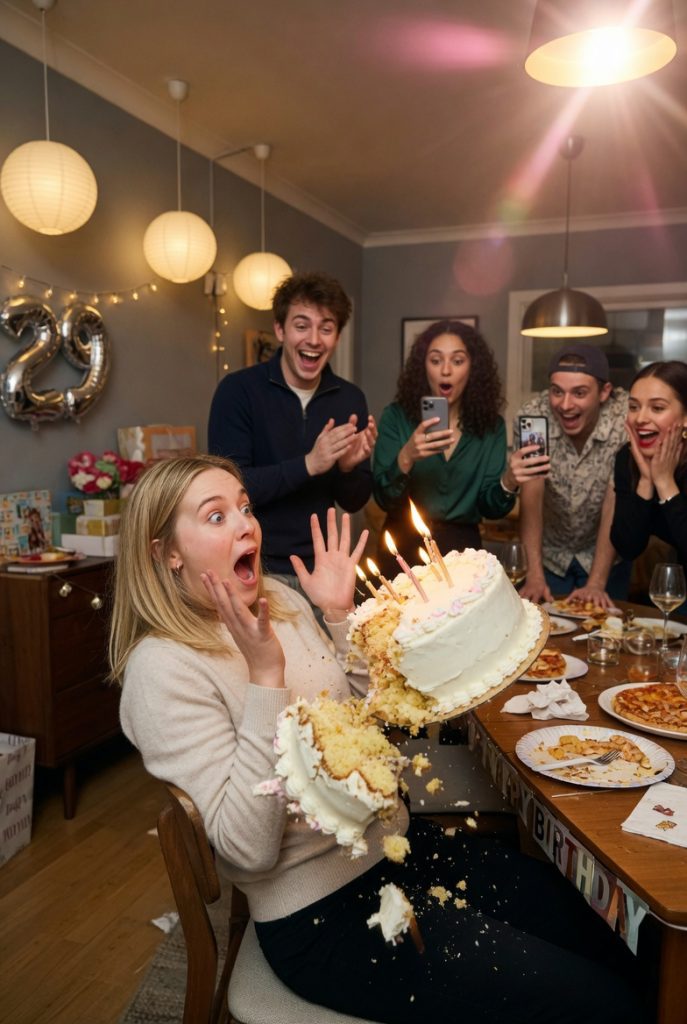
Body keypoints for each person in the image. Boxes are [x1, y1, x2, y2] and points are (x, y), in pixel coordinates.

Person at [110, 454, 651, 1024]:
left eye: (245, 507)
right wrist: (266, 677)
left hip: (400, 848)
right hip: (323, 916)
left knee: (608, 933)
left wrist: (339, 616)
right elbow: (247, 850)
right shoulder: (162, 670)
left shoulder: (281, 603)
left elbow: (369, 716)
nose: (247, 524)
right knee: (598, 1002)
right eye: (216, 516)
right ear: (165, 552)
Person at [207, 270, 376, 590]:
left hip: (325, 569)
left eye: (326, 328)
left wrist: (347, 469)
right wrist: (309, 464)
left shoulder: (350, 398)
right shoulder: (238, 391)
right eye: (301, 325)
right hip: (254, 565)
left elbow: (354, 502)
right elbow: (228, 487)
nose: (314, 339)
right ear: (280, 330)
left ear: (337, 337)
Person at [372, 319, 526, 577]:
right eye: (435, 360)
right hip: (403, 546)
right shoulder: (396, 418)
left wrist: (509, 481)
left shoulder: (491, 427)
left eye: (457, 361)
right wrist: (406, 457)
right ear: (423, 368)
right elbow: (383, 498)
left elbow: (491, 508)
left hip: (463, 552)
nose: (446, 370)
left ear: (472, 368)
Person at [516, 342, 630, 608]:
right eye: (557, 391)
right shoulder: (534, 416)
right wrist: (534, 575)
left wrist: (596, 583)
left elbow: (614, 500)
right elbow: (532, 491)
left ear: (604, 392)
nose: (565, 405)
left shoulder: (624, 419)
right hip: (549, 556)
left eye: (579, 393)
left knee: (606, 628)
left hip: (607, 556)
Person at [611, 361, 687, 595]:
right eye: (634, 407)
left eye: (657, 408)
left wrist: (665, 483)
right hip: (667, 593)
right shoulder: (627, 458)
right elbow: (627, 548)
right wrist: (646, 480)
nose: (640, 418)